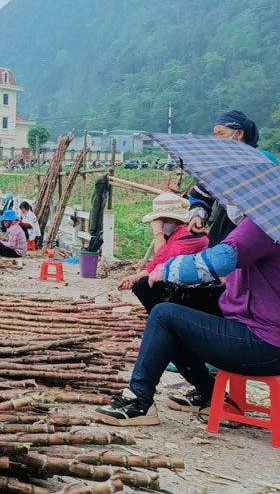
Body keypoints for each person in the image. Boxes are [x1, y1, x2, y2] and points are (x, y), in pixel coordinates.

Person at [94, 216, 280, 426]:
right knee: (172, 319)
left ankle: (139, 399)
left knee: (164, 316)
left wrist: (169, 270)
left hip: (263, 342)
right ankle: (209, 393)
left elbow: (222, 259)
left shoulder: (265, 222)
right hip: (264, 337)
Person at [118, 193, 212, 314]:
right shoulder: (174, 233)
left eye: (161, 220)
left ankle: (167, 317)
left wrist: (158, 232)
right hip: (182, 283)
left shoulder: (190, 233)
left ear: (172, 218)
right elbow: (155, 264)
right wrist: (132, 278)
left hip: (197, 288)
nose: (159, 224)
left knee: (145, 284)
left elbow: (164, 261)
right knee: (139, 283)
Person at [187, 110, 265, 246]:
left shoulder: (262, 163)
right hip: (221, 238)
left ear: (239, 134)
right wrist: (197, 215)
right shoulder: (220, 167)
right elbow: (201, 196)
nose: (217, 139)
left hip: (251, 240)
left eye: (221, 134)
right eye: (215, 135)